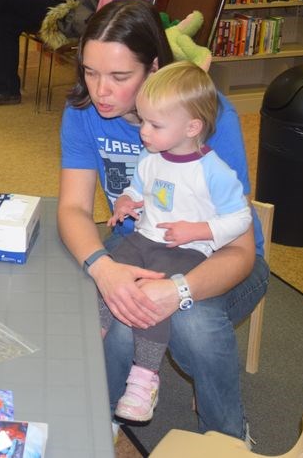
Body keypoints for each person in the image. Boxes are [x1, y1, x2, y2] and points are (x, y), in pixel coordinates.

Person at [57, 0, 268, 442]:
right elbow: (73, 209)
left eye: (119, 77)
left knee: (189, 320)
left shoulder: (207, 117)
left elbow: (241, 248)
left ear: (154, 69)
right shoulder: (82, 114)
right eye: (90, 72)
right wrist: (104, 267)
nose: (100, 92)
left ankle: (227, 436)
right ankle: (107, 412)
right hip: (145, 245)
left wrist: (176, 291)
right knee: (114, 303)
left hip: (217, 254)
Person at [99, 61, 252, 423]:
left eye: (155, 125)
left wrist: (197, 231)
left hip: (187, 252)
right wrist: (125, 202)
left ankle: (144, 377)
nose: (144, 132)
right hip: (144, 239)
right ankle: (97, 336)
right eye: (143, 121)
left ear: (192, 127)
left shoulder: (213, 170)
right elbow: (138, 189)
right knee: (108, 276)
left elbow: (240, 219)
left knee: (153, 302)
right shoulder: (151, 158)